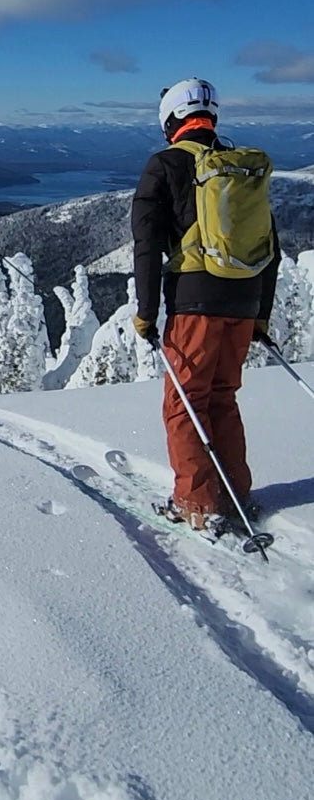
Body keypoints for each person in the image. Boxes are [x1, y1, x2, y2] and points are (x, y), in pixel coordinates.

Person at [131, 78, 279, 535]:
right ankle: (236, 494)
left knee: (185, 403)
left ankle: (197, 504)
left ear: (169, 120)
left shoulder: (165, 165)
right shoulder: (240, 170)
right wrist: (260, 313)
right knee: (221, 397)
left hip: (194, 302)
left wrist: (146, 312)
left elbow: (146, 243)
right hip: (244, 299)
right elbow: (269, 246)